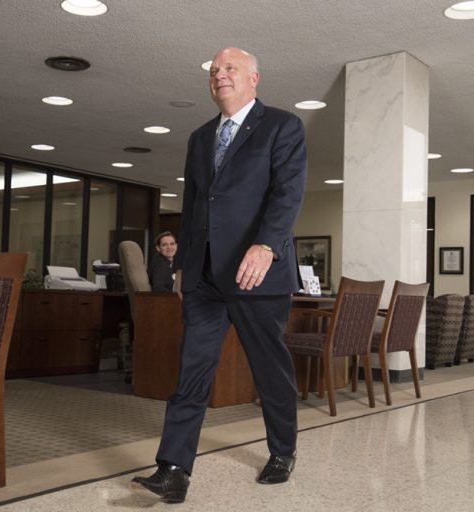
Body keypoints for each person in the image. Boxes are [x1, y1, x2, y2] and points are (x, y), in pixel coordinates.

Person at [131, 47, 307, 503]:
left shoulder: (282, 126)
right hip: (205, 276)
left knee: (269, 369)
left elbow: (287, 193)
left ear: (254, 78)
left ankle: (283, 451)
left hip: (256, 273)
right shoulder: (200, 137)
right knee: (192, 369)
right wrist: (181, 265)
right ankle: (173, 468)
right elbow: (194, 205)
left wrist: (266, 245)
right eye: (214, 71)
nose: (219, 75)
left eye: (230, 68)